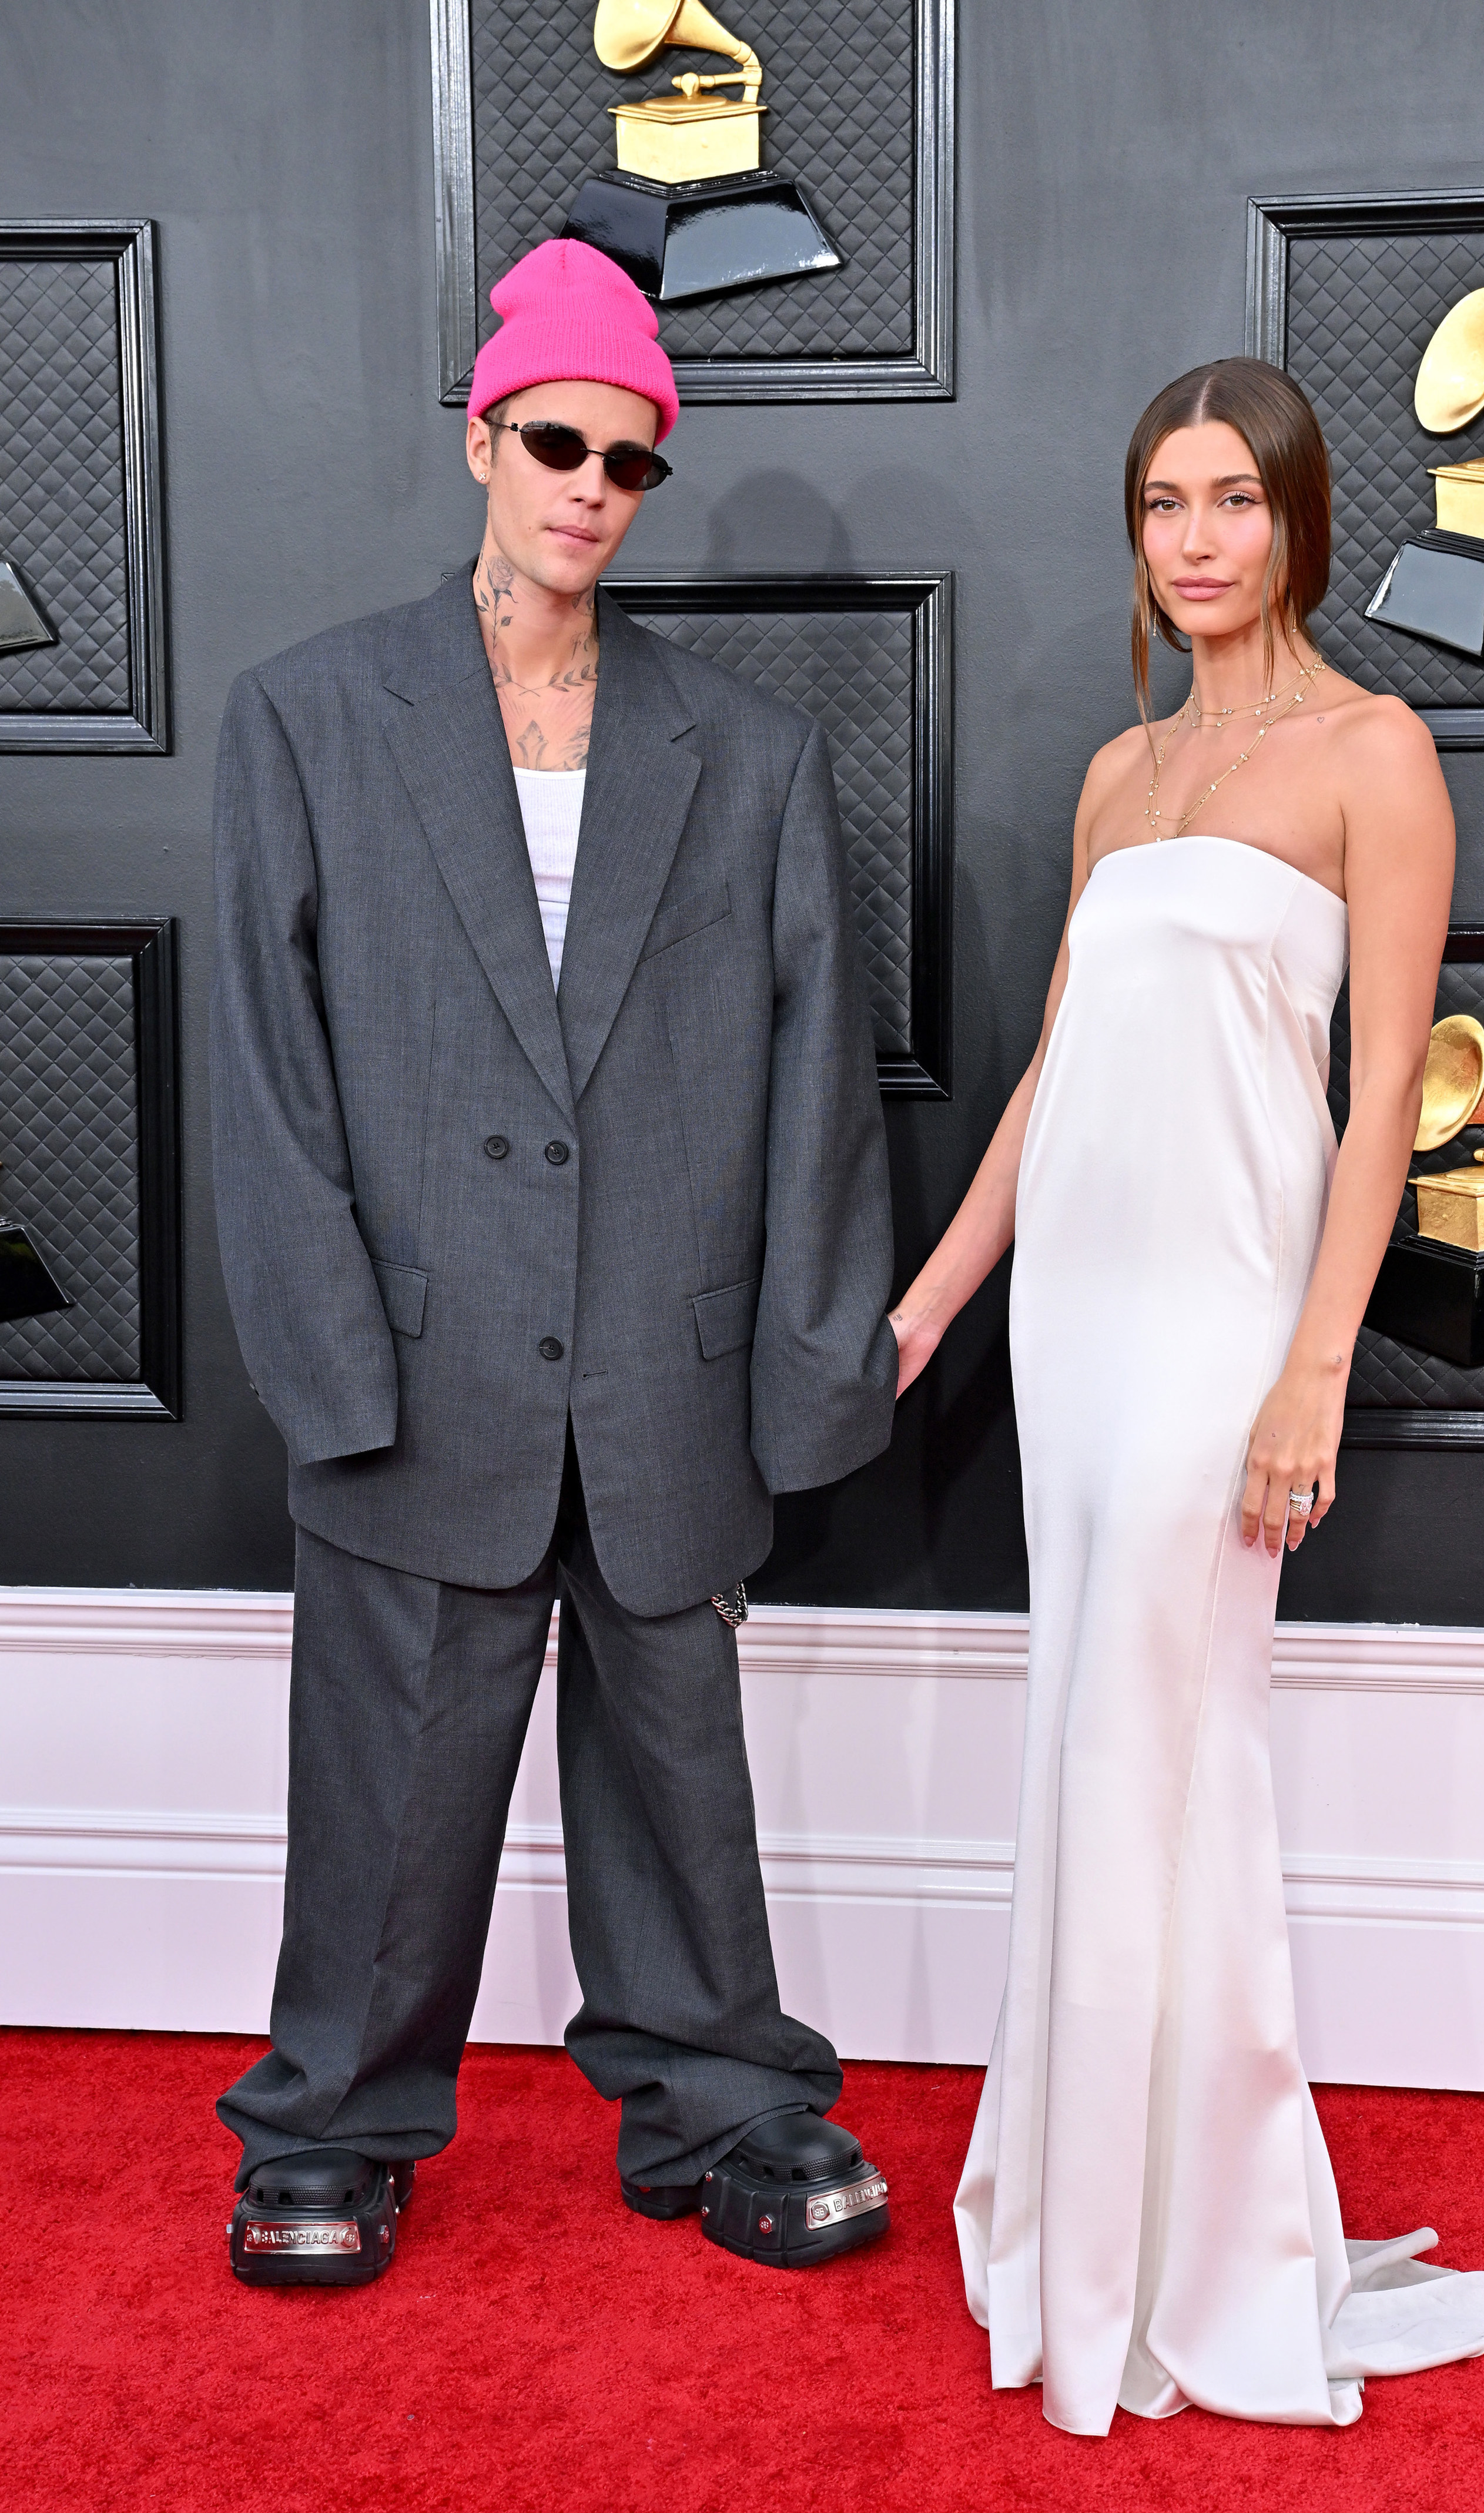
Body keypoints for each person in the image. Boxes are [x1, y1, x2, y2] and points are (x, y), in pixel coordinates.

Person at [209, 238, 897, 2285]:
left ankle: (727, 2096)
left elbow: (817, 1091)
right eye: (559, 443)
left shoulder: (750, 756)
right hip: (418, 1362)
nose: (593, 485)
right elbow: (263, 1067)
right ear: (483, 439)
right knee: (392, 1790)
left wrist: (801, 1370)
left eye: (631, 459)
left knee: (683, 1765)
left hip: (665, 1360)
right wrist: (333, 1363)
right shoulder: (309, 718)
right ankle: (331, 2117)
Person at [889, 360, 1484, 2431]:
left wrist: (1311, 1368)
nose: (1199, 537)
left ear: (1301, 521)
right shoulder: (1119, 776)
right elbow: (1056, 1082)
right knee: (1095, 1736)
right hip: (1078, 1307)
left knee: (1176, 1749)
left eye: (1235, 497)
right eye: (1164, 501)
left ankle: (1202, 2242)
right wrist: (930, 1307)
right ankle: (1093, 2215)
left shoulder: (1376, 751)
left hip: (1232, 1320)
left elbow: (1377, 1111)